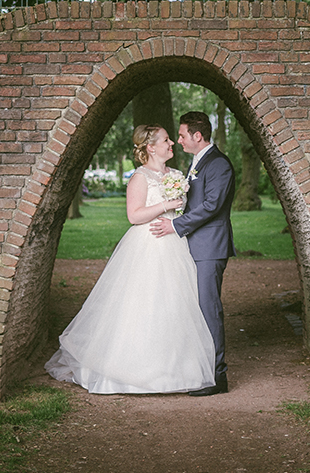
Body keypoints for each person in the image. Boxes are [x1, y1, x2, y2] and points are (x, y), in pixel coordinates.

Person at [44, 125, 216, 394]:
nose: (172, 143)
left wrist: (176, 210)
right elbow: (134, 216)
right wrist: (166, 205)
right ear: (150, 147)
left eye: (172, 139)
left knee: (175, 303)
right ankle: (133, 368)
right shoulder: (140, 177)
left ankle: (174, 370)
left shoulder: (176, 175)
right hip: (148, 244)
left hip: (174, 242)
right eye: (166, 140)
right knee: (144, 303)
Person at [150, 111, 235, 396]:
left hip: (210, 247)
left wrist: (175, 225)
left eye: (183, 135)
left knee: (208, 310)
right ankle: (198, 368)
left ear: (198, 136)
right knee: (195, 309)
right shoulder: (197, 162)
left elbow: (211, 206)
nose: (179, 140)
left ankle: (216, 377)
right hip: (194, 245)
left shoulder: (219, 165)